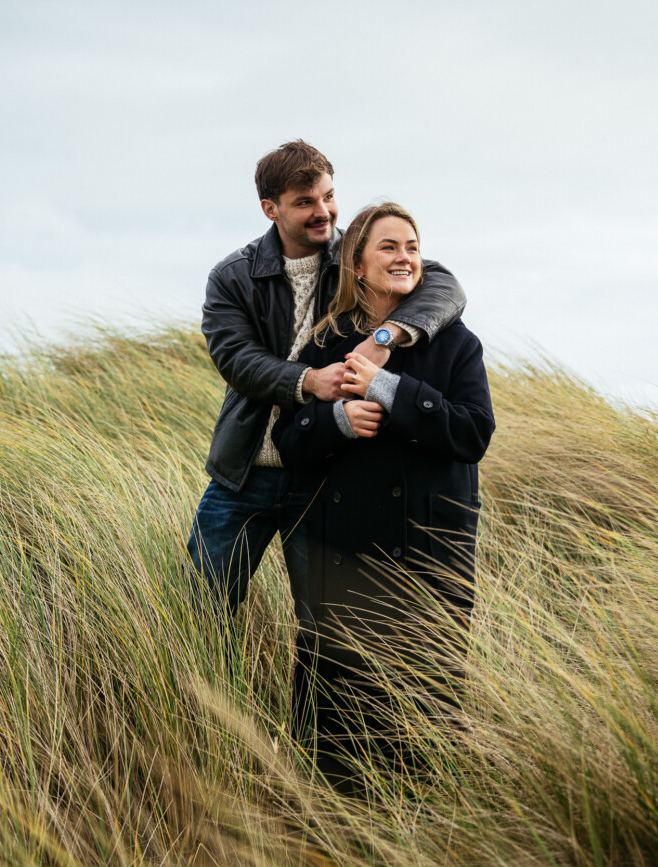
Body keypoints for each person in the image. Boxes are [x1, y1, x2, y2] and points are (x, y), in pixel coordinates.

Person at [188, 142, 467, 623]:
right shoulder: (232, 277)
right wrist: (309, 380)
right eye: (305, 202)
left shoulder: (355, 254)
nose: (324, 212)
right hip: (246, 471)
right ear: (270, 209)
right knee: (202, 605)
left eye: (329, 196)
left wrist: (386, 335)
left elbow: (444, 285)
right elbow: (235, 358)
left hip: (323, 476)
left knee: (324, 623)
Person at [273, 202, 495, 791]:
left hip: (429, 558)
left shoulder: (456, 344)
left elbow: (473, 433)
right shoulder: (327, 342)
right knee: (335, 731)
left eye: (413, 247)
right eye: (390, 247)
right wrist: (337, 420)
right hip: (340, 560)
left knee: (424, 719)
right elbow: (289, 443)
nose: (405, 258)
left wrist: (389, 388)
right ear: (359, 264)